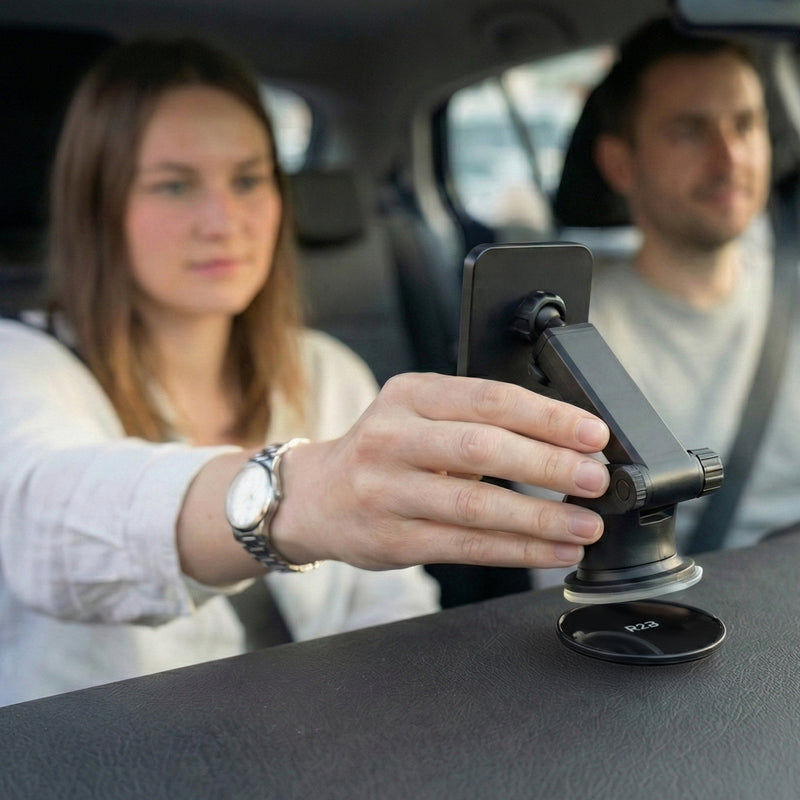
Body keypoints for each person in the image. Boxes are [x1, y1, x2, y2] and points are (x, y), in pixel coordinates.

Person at [0, 37, 612, 706]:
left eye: (248, 179)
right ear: (97, 206)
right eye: (174, 184)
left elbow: (390, 620)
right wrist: (298, 494)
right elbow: (44, 526)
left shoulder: (327, 373)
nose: (222, 220)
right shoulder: (22, 363)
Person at [535, 17, 799, 595]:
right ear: (620, 164)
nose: (729, 157)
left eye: (746, 124)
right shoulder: (567, 340)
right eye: (688, 129)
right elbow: (567, 565)